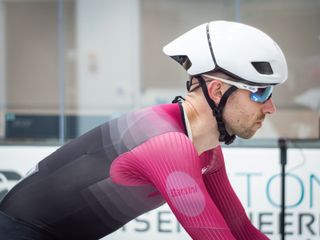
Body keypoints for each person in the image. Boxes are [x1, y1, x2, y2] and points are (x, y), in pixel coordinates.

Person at [0, 20, 287, 240]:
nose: (271, 107)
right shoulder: (167, 144)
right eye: (260, 93)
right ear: (216, 90)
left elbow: (240, 229)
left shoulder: (205, 147)